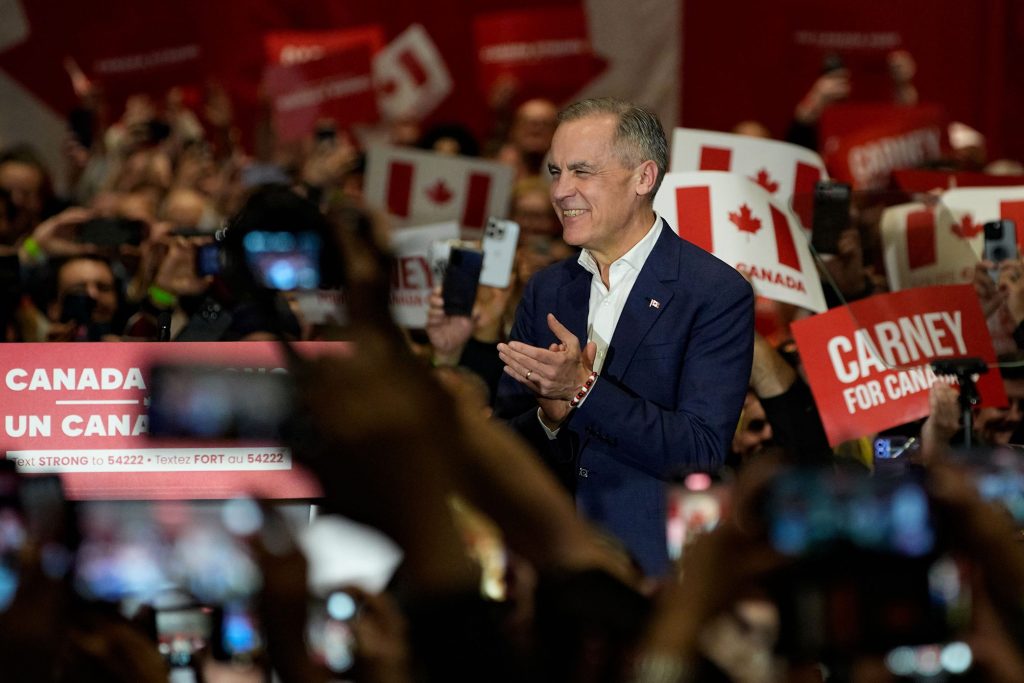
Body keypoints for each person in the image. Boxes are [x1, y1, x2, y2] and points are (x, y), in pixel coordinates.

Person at [495, 97, 754, 576]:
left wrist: (582, 390)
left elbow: (700, 451)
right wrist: (549, 419)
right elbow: (503, 441)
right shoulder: (547, 289)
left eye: (582, 172)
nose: (561, 191)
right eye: (555, 172)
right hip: (550, 565)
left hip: (651, 570)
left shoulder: (713, 292)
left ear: (643, 178)